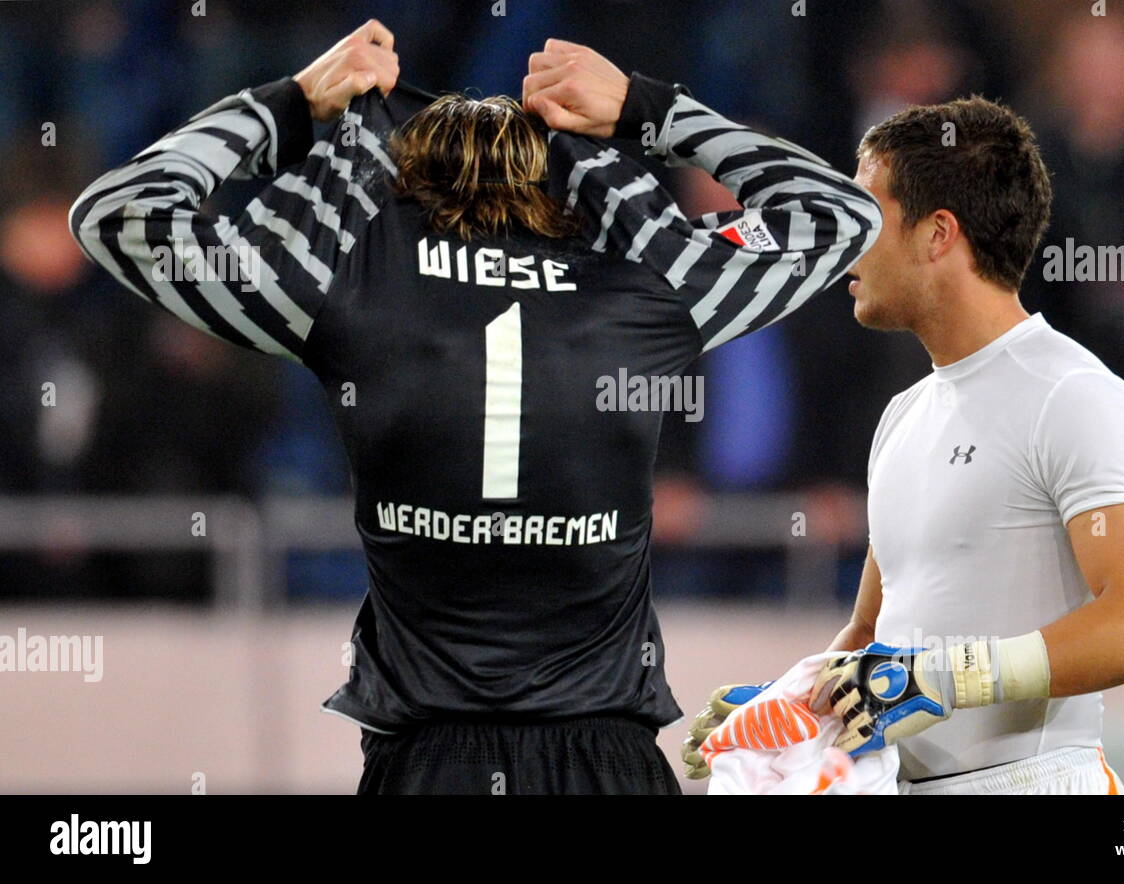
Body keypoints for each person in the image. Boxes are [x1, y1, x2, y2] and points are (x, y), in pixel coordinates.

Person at [68, 22, 881, 794]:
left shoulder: (346, 280)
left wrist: (289, 102)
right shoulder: (646, 281)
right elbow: (846, 216)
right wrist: (647, 110)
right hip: (606, 756)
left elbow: (117, 213)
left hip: (426, 761)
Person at [685, 96, 1124, 795]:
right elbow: (871, 638)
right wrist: (789, 708)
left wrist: (952, 676)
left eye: (868, 216)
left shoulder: (1072, 394)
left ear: (938, 234)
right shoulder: (902, 415)